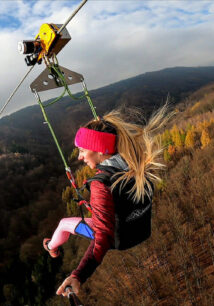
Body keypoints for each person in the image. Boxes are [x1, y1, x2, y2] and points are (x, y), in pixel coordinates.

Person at [43, 106, 170, 296]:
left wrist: (78, 275)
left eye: (83, 150)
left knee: (63, 224)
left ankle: (51, 248)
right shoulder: (135, 162)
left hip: (119, 237)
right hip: (139, 229)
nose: (79, 157)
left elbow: (103, 236)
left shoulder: (102, 184)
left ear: (101, 150)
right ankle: (52, 246)